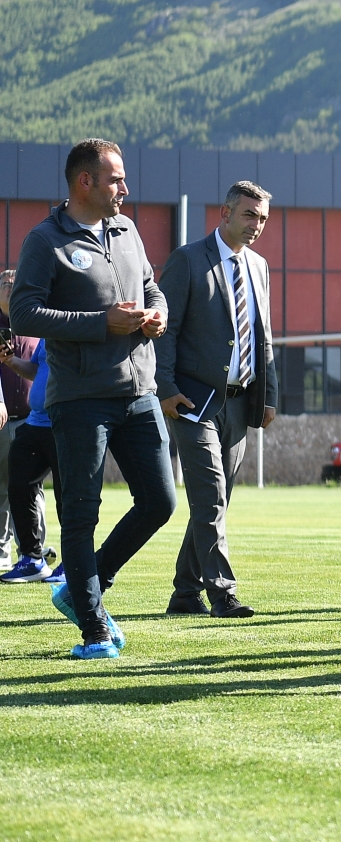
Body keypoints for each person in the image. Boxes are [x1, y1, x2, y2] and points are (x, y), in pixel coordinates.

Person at [10, 139, 174, 659]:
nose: (124, 188)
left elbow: (151, 287)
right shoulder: (45, 240)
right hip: (79, 398)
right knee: (80, 514)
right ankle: (94, 630)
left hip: (138, 391)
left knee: (160, 502)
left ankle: (85, 584)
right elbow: (25, 314)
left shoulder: (126, 231)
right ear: (85, 182)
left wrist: (158, 312)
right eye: (115, 179)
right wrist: (100, 324)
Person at [155, 181, 279, 619]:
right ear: (224, 214)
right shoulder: (188, 260)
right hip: (193, 401)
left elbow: (263, 339)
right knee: (209, 496)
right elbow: (164, 331)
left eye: (262, 218)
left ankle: (184, 593)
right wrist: (166, 389)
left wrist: (268, 396)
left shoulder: (260, 267)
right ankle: (221, 592)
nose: (257, 225)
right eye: (249, 215)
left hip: (240, 402)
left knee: (218, 499)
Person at [1, 336, 61, 584]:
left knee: (70, 495)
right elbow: (37, 370)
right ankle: (32, 559)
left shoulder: (77, 322)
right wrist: (11, 360)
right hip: (36, 422)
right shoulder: (47, 333)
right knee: (19, 486)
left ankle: (74, 564)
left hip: (66, 422)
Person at [0, 267, 37, 568]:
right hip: (1, 422)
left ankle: (36, 551)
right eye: (4, 283)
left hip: (32, 419)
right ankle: (2, 553)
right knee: (1, 489)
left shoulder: (36, 322)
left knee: (32, 489)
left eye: (16, 282)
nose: (11, 287)